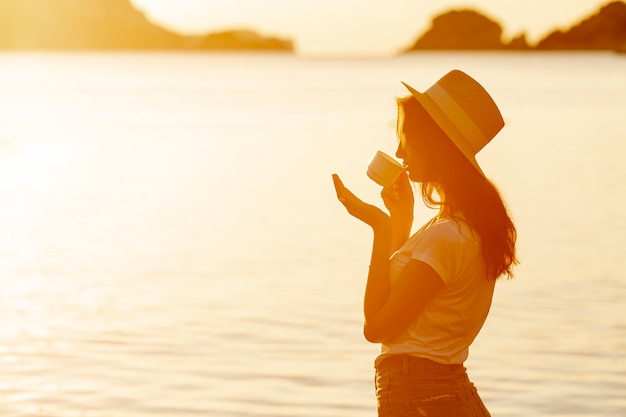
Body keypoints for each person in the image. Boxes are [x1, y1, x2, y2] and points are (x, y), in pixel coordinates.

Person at [332, 69, 518, 417]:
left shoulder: (447, 235)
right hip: (445, 391)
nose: (400, 151)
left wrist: (381, 228)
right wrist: (401, 221)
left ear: (435, 144)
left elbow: (377, 327)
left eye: (406, 138)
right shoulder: (461, 226)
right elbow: (399, 302)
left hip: (421, 396)